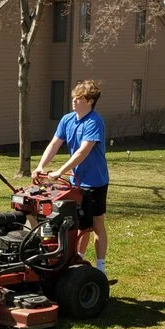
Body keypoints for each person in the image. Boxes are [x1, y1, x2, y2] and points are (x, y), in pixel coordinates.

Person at [32, 79, 109, 275]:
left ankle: (101, 269)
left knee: (95, 225)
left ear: (90, 101)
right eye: (73, 97)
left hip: (95, 182)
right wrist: (41, 166)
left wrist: (58, 171)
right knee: (77, 223)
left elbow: (82, 153)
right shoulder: (67, 119)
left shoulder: (94, 122)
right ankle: (77, 261)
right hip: (75, 181)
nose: (74, 101)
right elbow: (54, 144)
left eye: (79, 98)